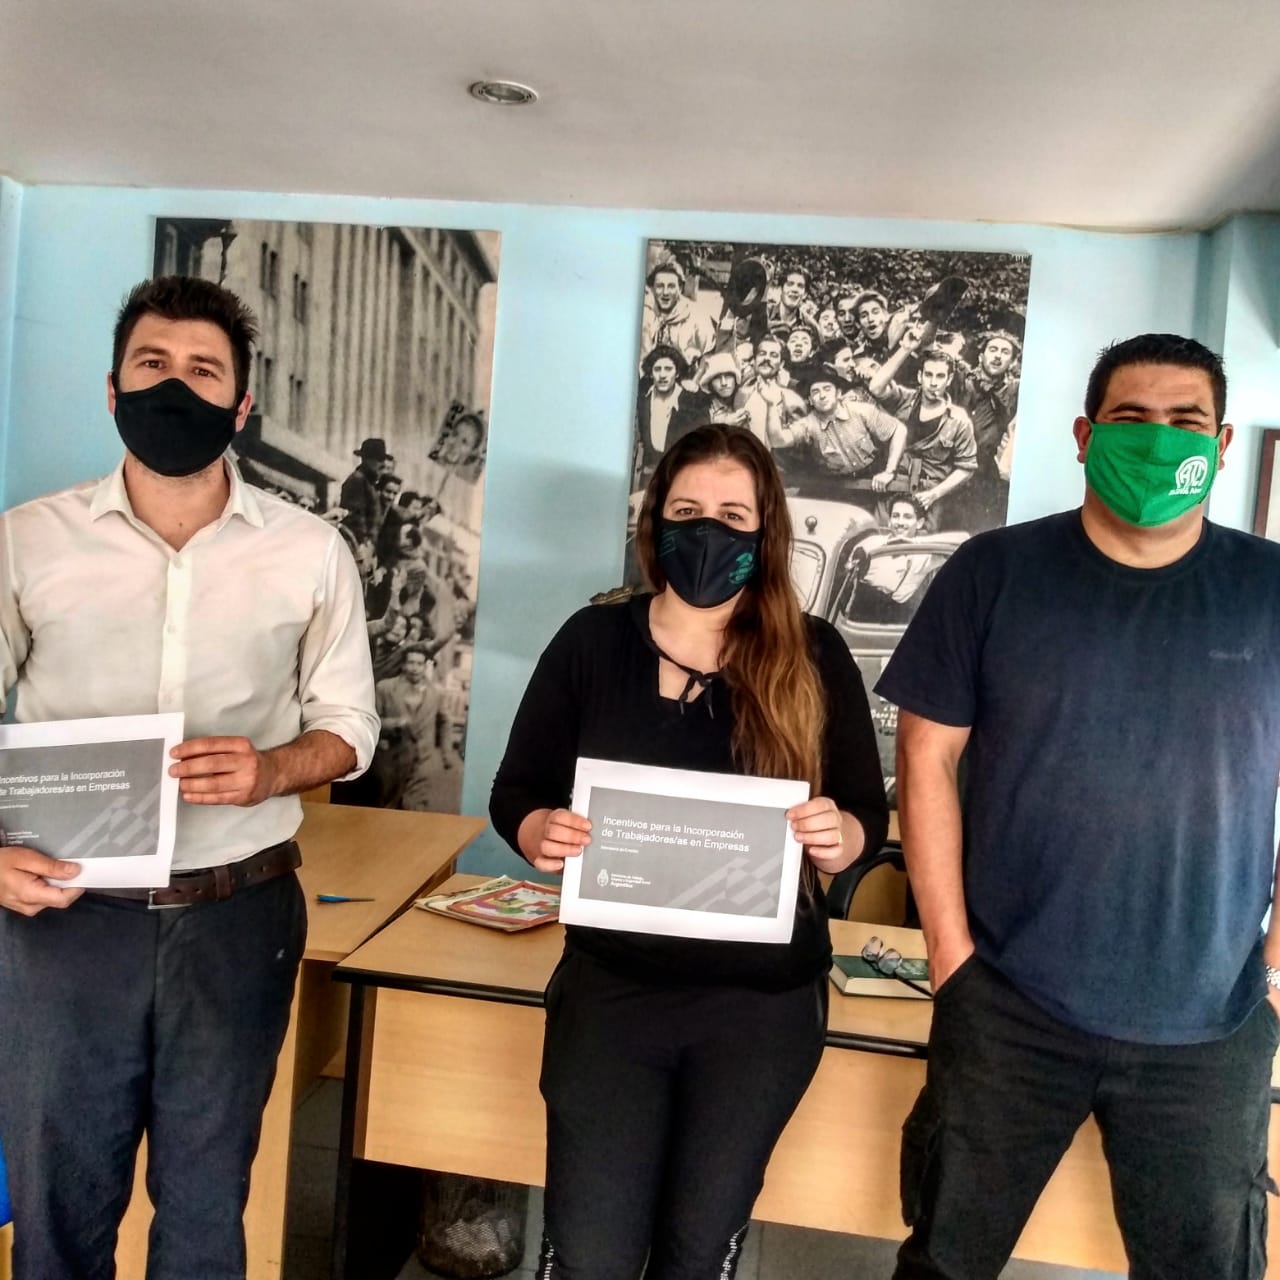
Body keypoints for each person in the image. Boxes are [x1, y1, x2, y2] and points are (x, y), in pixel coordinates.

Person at [876, 333, 1280, 1280]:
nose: (1158, 438)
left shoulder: (1270, 589)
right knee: (945, 1259)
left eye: (1185, 420)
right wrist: (951, 960)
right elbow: (925, 757)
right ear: (1084, 434)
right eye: (1132, 417)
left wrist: (1274, 968)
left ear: (1222, 443)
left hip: (1209, 1025)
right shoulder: (992, 572)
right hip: (1008, 1005)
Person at [0, 275, 378, 1278]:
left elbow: (349, 727)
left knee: (208, 1213)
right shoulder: (24, 540)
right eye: (152, 363)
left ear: (241, 404)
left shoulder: (310, 551)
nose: (176, 386)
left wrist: (274, 769)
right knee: (58, 1210)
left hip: (236, 916)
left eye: (204, 370)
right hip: (64, 920)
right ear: (112, 389)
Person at [491, 424, 888, 1278]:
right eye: (687, 512)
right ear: (655, 524)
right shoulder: (593, 641)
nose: (708, 531)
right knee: (588, 1252)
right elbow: (516, 790)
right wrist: (538, 832)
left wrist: (839, 838)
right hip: (612, 995)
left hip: (761, 1010)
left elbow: (865, 815)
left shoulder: (816, 653)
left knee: (698, 1252)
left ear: (765, 531)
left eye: (732, 515)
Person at [868, 342, 978, 526]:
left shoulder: (959, 420)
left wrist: (935, 494)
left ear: (949, 379)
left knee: (922, 542)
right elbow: (876, 388)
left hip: (928, 495)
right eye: (928, 375)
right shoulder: (905, 400)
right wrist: (905, 349)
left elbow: (966, 468)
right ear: (920, 376)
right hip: (893, 485)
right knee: (882, 536)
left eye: (940, 376)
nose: (933, 383)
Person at [769, 369, 907, 493]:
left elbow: (899, 429)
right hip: (838, 487)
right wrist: (770, 405)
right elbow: (779, 441)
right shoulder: (808, 425)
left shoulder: (861, 411)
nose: (822, 396)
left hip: (874, 481)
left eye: (827, 389)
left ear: (839, 393)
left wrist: (889, 471)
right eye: (815, 392)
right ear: (810, 400)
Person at [639, 257, 715, 371]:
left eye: (671, 286)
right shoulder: (646, 315)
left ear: (680, 288)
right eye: (660, 286)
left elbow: (710, 357)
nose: (665, 292)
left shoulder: (698, 317)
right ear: (653, 288)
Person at [340, 435, 391, 547]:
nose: (383, 464)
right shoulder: (358, 480)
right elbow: (355, 518)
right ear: (367, 460)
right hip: (355, 545)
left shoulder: (369, 484)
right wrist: (363, 543)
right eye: (378, 459)